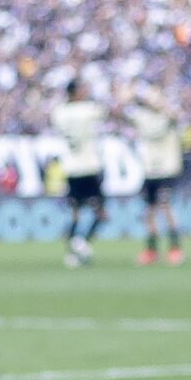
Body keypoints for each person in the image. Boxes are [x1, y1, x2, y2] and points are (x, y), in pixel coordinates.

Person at [51, 79, 108, 268]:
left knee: (75, 213)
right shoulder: (87, 109)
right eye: (83, 89)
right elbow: (106, 112)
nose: (85, 92)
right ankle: (81, 243)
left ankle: (73, 253)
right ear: (75, 92)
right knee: (101, 212)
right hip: (88, 166)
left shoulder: (59, 112)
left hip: (71, 168)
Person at [128, 89, 185, 266]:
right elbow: (124, 113)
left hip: (167, 170)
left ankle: (175, 248)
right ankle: (151, 250)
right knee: (150, 212)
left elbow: (177, 116)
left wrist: (165, 106)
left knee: (165, 207)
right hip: (150, 171)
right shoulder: (143, 118)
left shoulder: (168, 117)